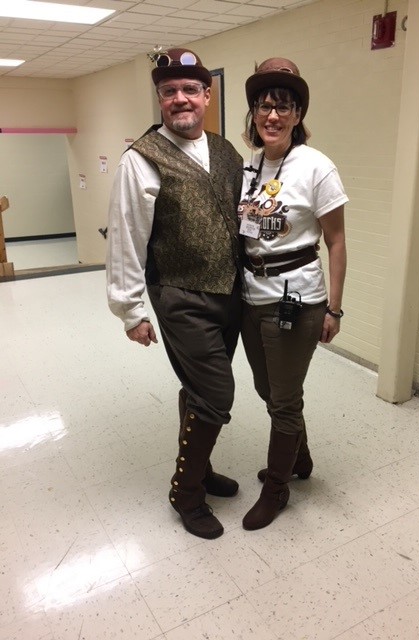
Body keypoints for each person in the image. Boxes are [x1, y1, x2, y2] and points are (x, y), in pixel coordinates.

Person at [106, 48, 244, 540]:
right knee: (217, 393)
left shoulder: (227, 152)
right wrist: (130, 310)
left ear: (207, 95)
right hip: (180, 295)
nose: (180, 100)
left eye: (190, 90)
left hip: (231, 294)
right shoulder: (140, 159)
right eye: (169, 92)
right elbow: (126, 236)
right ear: (160, 99)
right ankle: (185, 492)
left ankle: (202, 471)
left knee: (197, 389)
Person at [237, 58, 348, 530]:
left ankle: (276, 487)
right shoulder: (250, 167)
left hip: (296, 299)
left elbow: (337, 241)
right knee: (267, 389)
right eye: (265, 106)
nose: (273, 116)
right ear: (255, 113)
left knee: (284, 399)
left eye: (284, 107)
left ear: (298, 114)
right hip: (250, 295)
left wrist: (335, 309)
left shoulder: (316, 167)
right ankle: (299, 459)